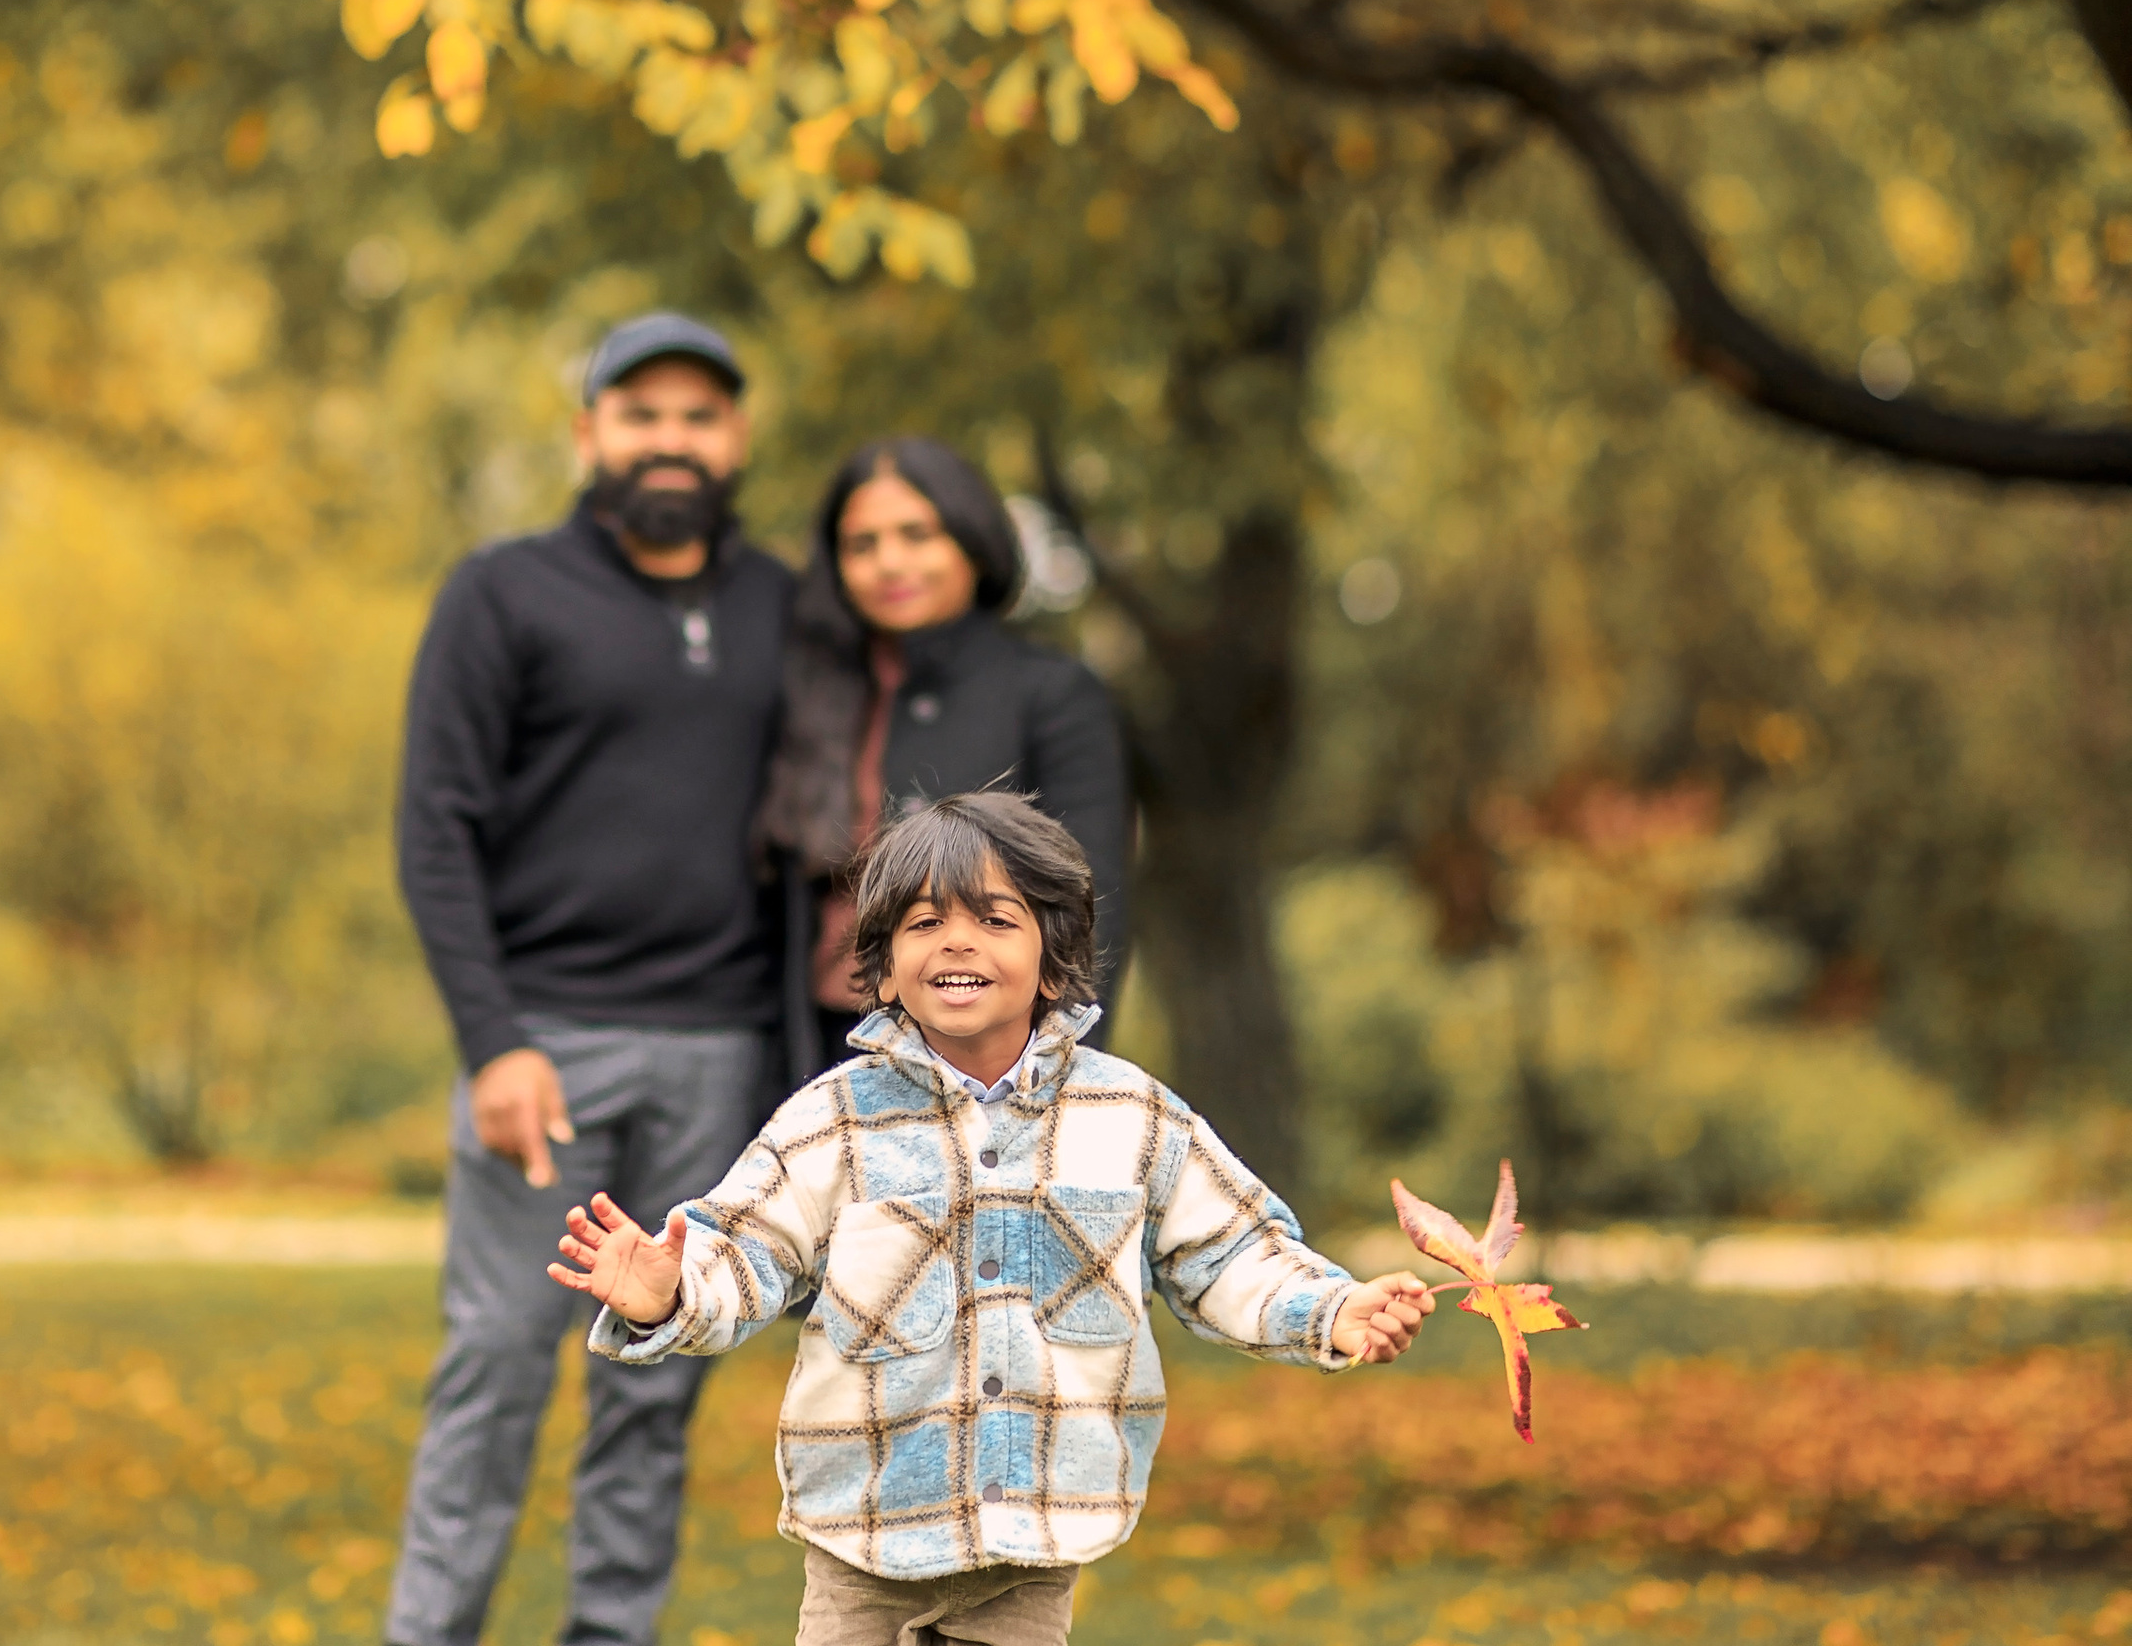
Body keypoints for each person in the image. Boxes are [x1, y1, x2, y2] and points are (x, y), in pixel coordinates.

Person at [546, 791, 1437, 1646]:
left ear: (1054, 959)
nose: (956, 942)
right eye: (924, 923)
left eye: (994, 920)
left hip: (1037, 1537)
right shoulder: (832, 1121)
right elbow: (747, 1250)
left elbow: (1232, 1252)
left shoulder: (1132, 1118)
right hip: (863, 1529)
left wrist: (1330, 1309)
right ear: (884, 963)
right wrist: (669, 1294)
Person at [387, 311, 793, 1646]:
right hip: (544, 1049)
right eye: (641, 413)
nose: (669, 440)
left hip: (721, 1056)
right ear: (588, 434)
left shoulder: (784, 607)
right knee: (496, 1366)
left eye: (698, 417)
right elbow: (434, 826)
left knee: (654, 1387)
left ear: (734, 441)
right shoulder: (502, 594)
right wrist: (492, 1039)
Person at [757, 438, 1127, 1081]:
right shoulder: (816, 692)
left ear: (973, 542)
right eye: (862, 544)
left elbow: (1095, 902)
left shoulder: (1049, 693)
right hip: (820, 1043)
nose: (889, 563)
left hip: (981, 1051)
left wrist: (1058, 1075)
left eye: (917, 534)